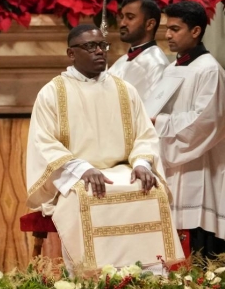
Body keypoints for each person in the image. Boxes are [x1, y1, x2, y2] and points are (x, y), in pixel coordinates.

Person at [26, 24, 183, 274]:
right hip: (74, 174)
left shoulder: (124, 90)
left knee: (151, 188)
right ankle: (92, 283)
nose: (100, 51)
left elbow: (144, 134)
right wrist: (81, 168)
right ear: (71, 53)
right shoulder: (53, 93)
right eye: (90, 46)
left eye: (102, 45)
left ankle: (148, 276)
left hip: (122, 169)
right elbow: (44, 142)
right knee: (85, 193)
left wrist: (142, 163)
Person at [153, 0, 225, 257]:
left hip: (199, 168)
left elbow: (206, 122)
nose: (167, 35)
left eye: (175, 29)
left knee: (198, 248)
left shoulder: (209, 70)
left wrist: (158, 123)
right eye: (167, 28)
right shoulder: (172, 68)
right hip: (172, 166)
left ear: (196, 31)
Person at [109, 0, 169, 100]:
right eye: (122, 17)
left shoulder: (157, 64)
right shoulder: (123, 60)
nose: (122, 23)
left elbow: (150, 110)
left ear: (150, 24)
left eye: (130, 17)